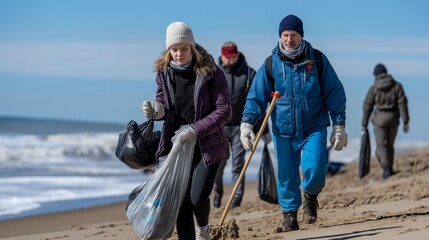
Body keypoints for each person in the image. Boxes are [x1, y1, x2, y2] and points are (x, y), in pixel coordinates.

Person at [240, 14, 348, 232]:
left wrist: (339, 125)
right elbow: (256, 96)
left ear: (301, 36)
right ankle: (289, 215)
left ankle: (310, 195)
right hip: (283, 128)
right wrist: (247, 124)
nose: (289, 39)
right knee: (287, 175)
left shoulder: (316, 59)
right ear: (280, 36)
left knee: (317, 166)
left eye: (293, 35)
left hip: (313, 126)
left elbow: (334, 92)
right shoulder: (271, 64)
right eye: (285, 35)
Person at [142, 21, 232, 240]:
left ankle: (203, 230)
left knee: (197, 198)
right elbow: (163, 104)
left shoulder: (211, 72)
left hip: (207, 146)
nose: (179, 54)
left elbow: (224, 110)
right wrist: (157, 109)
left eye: (184, 48)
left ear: (192, 47)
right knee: (179, 203)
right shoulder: (164, 74)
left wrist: (195, 130)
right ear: (168, 50)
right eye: (174, 49)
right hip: (176, 147)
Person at [212, 41, 271, 209]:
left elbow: (257, 104)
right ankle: (218, 191)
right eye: (227, 57)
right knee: (218, 164)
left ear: (237, 55)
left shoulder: (249, 74)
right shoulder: (214, 74)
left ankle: (236, 198)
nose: (231, 60)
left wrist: (264, 130)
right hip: (219, 127)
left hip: (241, 127)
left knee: (238, 164)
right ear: (221, 56)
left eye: (233, 57)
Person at [362, 63, 409, 179]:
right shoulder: (397, 86)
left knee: (381, 147)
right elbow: (402, 103)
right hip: (393, 119)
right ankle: (389, 169)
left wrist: (364, 123)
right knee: (390, 146)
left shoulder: (373, 89)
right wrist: (405, 120)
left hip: (379, 121)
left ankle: (386, 168)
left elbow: (367, 106)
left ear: (376, 75)